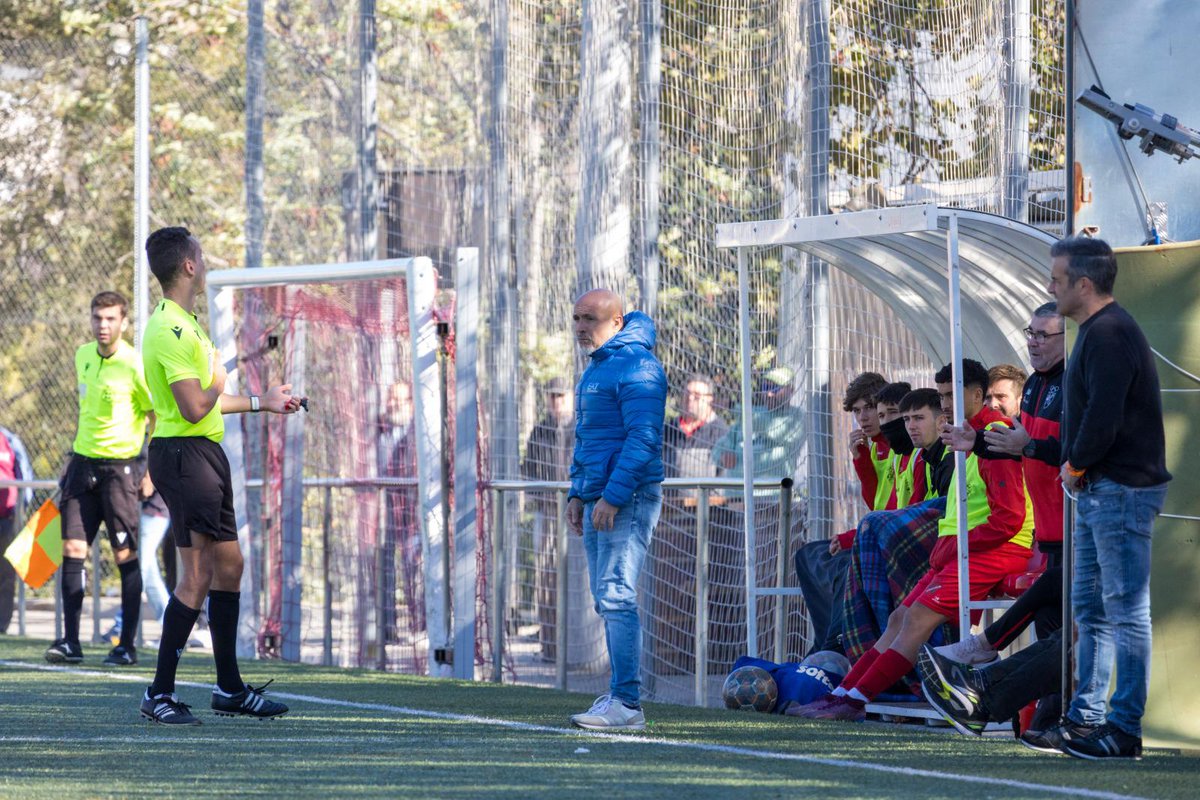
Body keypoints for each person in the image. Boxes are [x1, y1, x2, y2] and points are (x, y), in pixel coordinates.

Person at [792, 359, 1033, 721]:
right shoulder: (965, 436)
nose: (946, 403)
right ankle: (843, 692)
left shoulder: (991, 436)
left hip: (998, 549)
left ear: (977, 394)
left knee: (916, 618)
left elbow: (1009, 519)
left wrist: (955, 544)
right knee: (899, 617)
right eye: (941, 395)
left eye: (952, 395)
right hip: (964, 549)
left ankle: (854, 701)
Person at [137, 226, 303, 725]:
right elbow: (193, 406)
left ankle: (228, 689)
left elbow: (209, 403)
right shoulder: (167, 328)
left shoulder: (191, 325)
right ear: (188, 266)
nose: (205, 263)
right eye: (201, 257)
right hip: (184, 455)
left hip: (204, 455)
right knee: (197, 576)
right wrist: (216, 376)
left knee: (230, 567)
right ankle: (158, 693)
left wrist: (262, 403)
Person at [1047, 236, 1171, 760]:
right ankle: (1085, 720)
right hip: (1100, 489)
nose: (1049, 288)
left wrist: (1075, 464)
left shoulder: (1110, 332)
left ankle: (1122, 727)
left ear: (1083, 283)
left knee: (1125, 611)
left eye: (1056, 280)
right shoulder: (1097, 332)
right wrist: (1077, 468)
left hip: (1119, 491)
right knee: (1092, 610)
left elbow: (1104, 415)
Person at [931, 303, 1068, 744]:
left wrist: (1029, 448)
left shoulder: (1078, 380)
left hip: (1078, 527)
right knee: (1055, 621)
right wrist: (980, 445)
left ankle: (982, 676)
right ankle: (1049, 721)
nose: (1034, 340)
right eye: (1031, 332)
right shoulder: (1036, 390)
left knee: (1077, 626)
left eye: (1045, 334)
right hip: (1051, 531)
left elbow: (1078, 448)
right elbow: (1020, 446)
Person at [566, 289, 666, 732]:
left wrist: (613, 495)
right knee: (606, 598)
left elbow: (643, 439)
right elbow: (586, 438)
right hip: (596, 497)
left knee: (617, 594)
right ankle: (620, 696)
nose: (582, 327)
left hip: (625, 498)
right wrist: (576, 493)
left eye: (590, 318)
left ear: (618, 321)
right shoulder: (597, 368)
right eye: (577, 319)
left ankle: (627, 703)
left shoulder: (639, 365)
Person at [43, 291, 155, 667]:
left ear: (123, 322)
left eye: (110, 319)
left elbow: (156, 415)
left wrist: (149, 469)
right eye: (97, 318)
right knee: (72, 551)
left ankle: (126, 646)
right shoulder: (82, 356)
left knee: (126, 555)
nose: (102, 325)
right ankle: (70, 642)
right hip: (81, 467)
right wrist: (72, 458)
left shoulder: (135, 365)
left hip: (120, 471)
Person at [793, 372, 888, 655]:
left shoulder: (901, 446)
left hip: (887, 542)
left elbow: (894, 512)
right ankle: (823, 642)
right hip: (876, 534)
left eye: (869, 408)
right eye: (857, 411)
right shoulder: (876, 448)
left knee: (845, 566)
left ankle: (836, 648)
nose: (863, 417)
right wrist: (860, 460)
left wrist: (852, 538)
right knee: (807, 555)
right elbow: (877, 503)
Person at [521, 377, 575, 659]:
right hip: (547, 512)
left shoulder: (581, 428)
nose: (557, 401)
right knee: (546, 576)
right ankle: (550, 644)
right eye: (552, 396)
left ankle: (577, 647)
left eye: (562, 395)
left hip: (577, 511)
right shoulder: (539, 430)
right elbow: (528, 471)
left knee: (576, 576)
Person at [0, 425, 34, 635]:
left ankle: (2, 624)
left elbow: (24, 474)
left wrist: (22, 508)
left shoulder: (9, 439)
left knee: (6, 571)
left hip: (8, 516)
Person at [663, 373, 727, 479]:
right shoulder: (667, 430)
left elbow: (725, 487)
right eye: (687, 393)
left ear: (709, 398)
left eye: (697, 395)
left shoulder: (722, 433)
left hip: (704, 495)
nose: (690, 398)